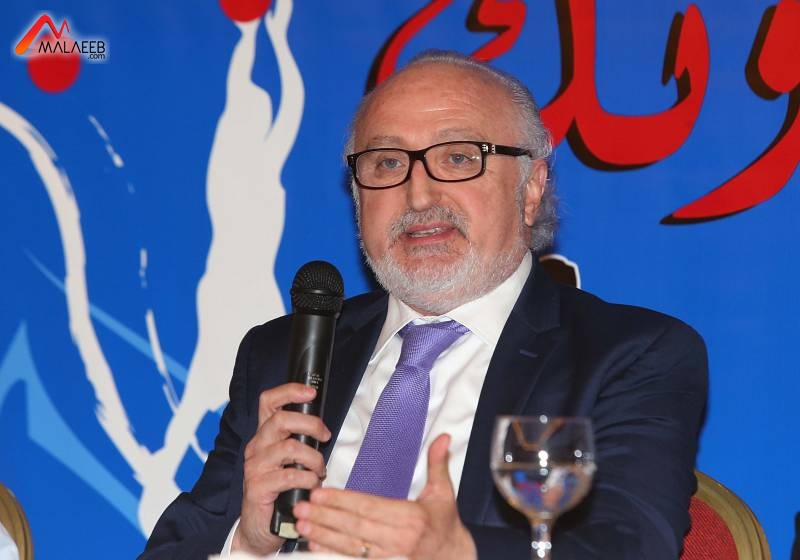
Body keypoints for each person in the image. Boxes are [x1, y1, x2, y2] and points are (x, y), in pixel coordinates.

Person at [141, 51, 708, 559]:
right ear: (357, 196)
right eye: (387, 163)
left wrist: (461, 554)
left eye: (459, 158)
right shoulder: (280, 352)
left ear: (531, 189)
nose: (418, 195)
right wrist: (247, 541)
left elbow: (628, 545)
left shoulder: (629, 355)